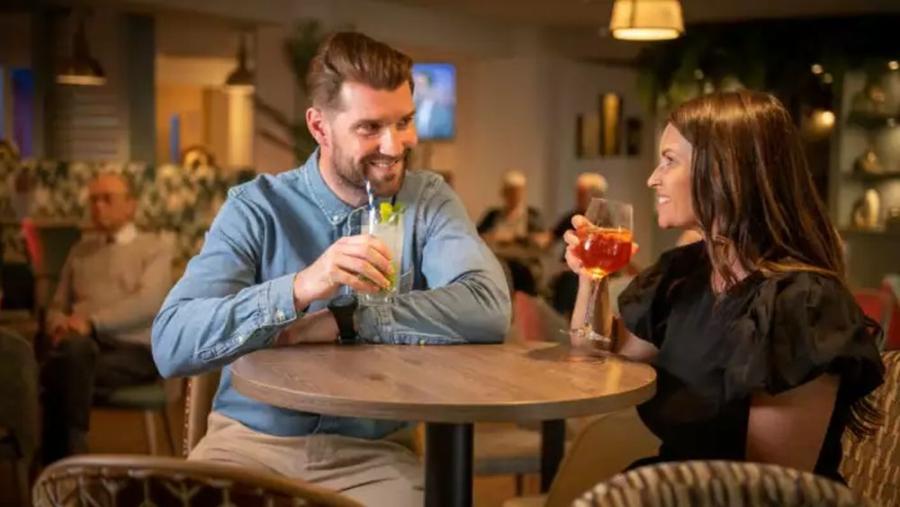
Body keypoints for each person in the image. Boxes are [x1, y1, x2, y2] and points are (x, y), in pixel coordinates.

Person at [151, 32, 509, 506]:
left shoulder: (427, 201)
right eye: (370, 128)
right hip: (249, 447)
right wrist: (299, 288)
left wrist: (348, 320)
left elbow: (488, 306)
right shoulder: (255, 208)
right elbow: (171, 344)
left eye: (404, 121)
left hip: (373, 458)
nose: (396, 144)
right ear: (319, 127)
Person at [563, 90, 883, 480]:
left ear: (723, 171)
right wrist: (590, 275)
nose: (652, 179)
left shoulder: (801, 304)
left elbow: (770, 485)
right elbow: (600, 354)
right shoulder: (683, 274)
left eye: (669, 161)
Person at [42, 172, 172, 464]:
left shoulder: (154, 248)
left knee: (56, 372)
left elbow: (149, 303)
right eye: (93, 200)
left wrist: (92, 323)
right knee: (73, 357)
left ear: (130, 206)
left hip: (133, 351)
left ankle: (57, 459)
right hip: (78, 347)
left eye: (107, 199)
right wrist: (57, 323)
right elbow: (57, 304)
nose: (98, 206)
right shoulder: (80, 250)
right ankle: (71, 453)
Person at [477, 170, 545, 295]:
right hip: (495, 260)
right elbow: (476, 237)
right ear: (503, 193)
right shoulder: (493, 215)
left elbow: (541, 240)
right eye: (510, 191)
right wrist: (493, 237)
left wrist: (515, 238)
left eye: (517, 191)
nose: (513, 195)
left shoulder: (532, 216)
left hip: (522, 263)